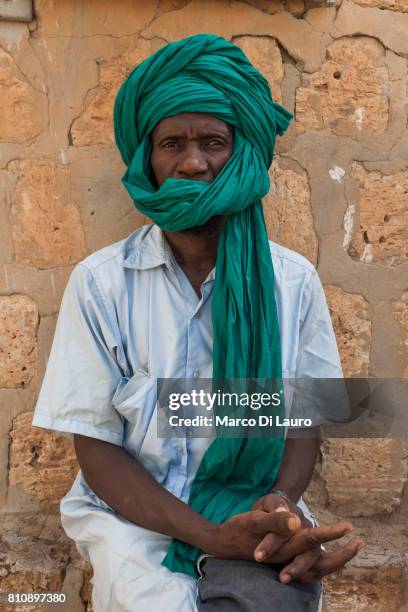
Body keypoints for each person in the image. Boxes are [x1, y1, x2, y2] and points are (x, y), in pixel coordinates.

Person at [32, 34, 363, 611]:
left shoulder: (292, 281)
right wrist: (209, 537)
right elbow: (98, 448)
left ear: (242, 154)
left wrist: (280, 504)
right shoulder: (103, 283)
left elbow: (301, 423)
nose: (193, 163)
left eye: (214, 142)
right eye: (171, 145)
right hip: (136, 523)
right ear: (147, 160)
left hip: (253, 506)